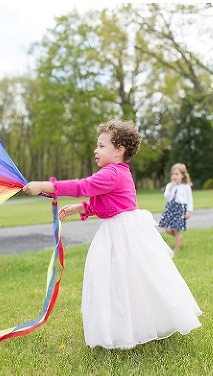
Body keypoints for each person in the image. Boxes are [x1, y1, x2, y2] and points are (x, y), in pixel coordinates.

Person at [22, 119, 202, 350]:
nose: (96, 151)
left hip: (123, 234)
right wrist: (81, 208)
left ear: (119, 151)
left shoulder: (112, 173)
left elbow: (82, 186)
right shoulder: (116, 172)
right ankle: (127, 324)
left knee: (123, 277)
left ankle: (135, 324)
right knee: (125, 278)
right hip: (122, 230)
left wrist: (43, 185)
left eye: (101, 146)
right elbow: (110, 205)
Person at [159, 163, 194, 253]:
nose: (174, 176)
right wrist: (171, 188)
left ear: (182, 176)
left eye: (177, 174)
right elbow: (166, 197)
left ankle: (177, 248)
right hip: (170, 208)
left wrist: (189, 211)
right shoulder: (169, 185)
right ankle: (179, 237)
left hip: (180, 209)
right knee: (167, 229)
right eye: (173, 174)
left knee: (176, 229)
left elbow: (190, 200)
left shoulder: (186, 187)